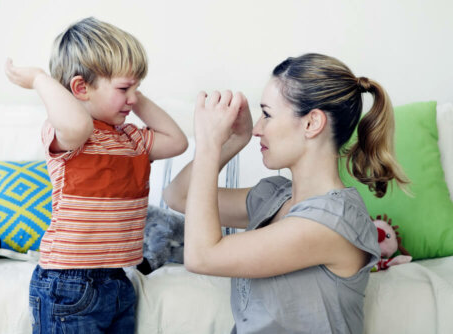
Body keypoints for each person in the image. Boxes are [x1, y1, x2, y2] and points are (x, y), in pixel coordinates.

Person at [163, 53, 409, 334]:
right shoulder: (274, 196)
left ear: (311, 123)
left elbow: (201, 257)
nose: (257, 129)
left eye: (267, 115)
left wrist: (209, 144)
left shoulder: (332, 223)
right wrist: (233, 141)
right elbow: (177, 195)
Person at [5, 17, 188, 334]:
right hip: (68, 282)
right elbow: (78, 124)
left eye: (137, 88)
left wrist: (132, 91)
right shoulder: (70, 136)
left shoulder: (132, 140)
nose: (132, 98)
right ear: (80, 88)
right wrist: (39, 79)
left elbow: (177, 141)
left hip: (117, 278)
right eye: (124, 89)